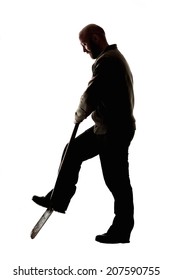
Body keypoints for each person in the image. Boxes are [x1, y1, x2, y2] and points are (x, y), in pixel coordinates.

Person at [32, 24, 136, 244]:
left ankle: (122, 230)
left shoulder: (108, 61)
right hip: (105, 127)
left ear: (96, 39)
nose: (84, 50)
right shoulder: (111, 57)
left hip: (114, 131)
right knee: (73, 150)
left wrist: (79, 114)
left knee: (117, 181)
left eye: (85, 44)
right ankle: (58, 199)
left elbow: (91, 93)